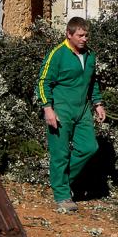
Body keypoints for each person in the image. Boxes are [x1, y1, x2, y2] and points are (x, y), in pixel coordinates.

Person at [35, 16, 106, 213]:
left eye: (86, 35)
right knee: (61, 153)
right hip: (61, 110)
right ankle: (62, 195)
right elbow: (43, 82)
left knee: (89, 148)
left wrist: (98, 103)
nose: (84, 39)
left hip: (82, 110)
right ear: (69, 34)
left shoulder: (90, 55)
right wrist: (48, 108)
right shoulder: (57, 54)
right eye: (80, 35)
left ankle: (62, 181)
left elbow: (92, 82)